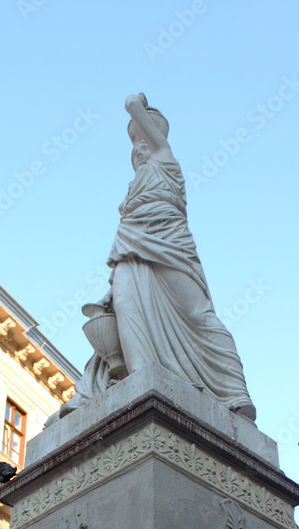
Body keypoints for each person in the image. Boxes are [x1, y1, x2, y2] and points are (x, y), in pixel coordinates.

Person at [56, 93, 256, 421]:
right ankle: (140, 380)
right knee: (124, 306)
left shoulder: (166, 161)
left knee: (197, 314)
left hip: (171, 246)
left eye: (144, 145)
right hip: (130, 251)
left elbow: (133, 104)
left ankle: (234, 393)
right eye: (135, 150)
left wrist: (139, 110)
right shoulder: (132, 188)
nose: (139, 150)